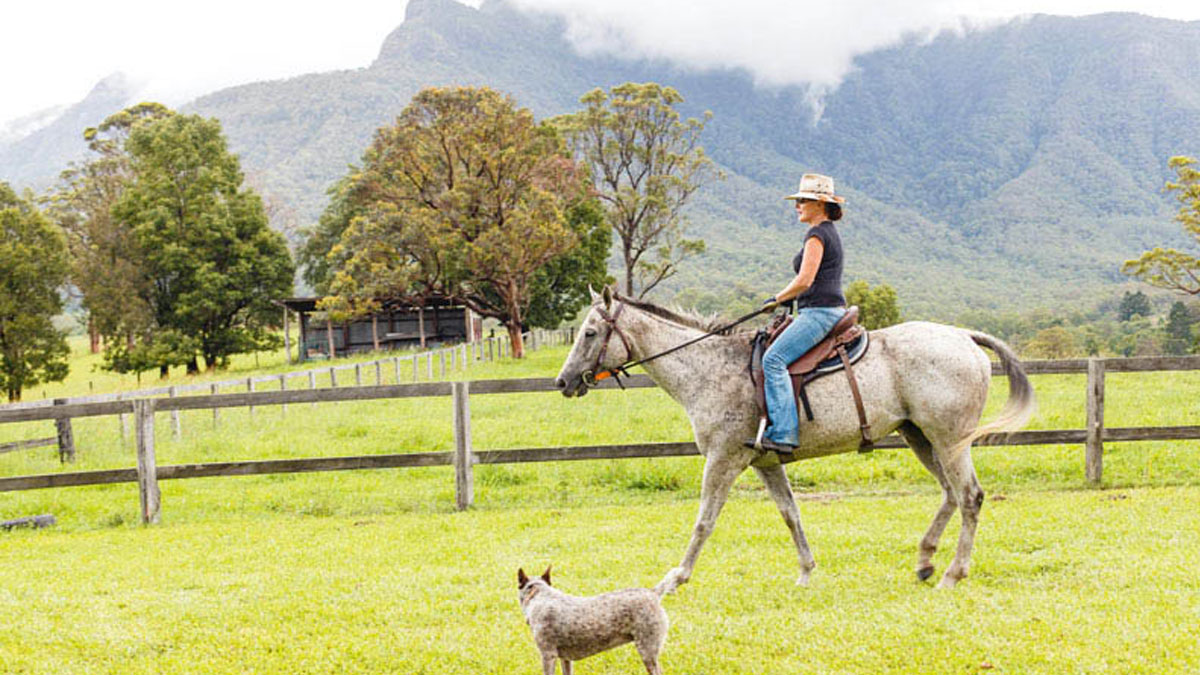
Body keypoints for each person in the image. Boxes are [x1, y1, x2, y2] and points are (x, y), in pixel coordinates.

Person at [747, 173, 848, 453]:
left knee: (774, 360)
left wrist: (776, 299)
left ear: (820, 204)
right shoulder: (827, 232)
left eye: (803, 200)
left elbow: (805, 280)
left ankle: (783, 434)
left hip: (820, 312)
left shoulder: (817, 235)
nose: (797, 205)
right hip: (819, 309)